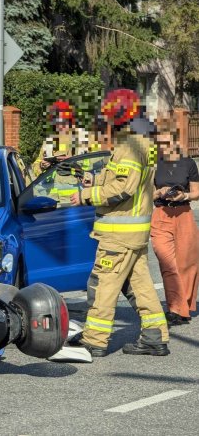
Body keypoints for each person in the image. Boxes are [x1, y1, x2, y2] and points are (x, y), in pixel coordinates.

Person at [70, 88, 169, 357]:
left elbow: (121, 189)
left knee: (103, 284)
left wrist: (85, 194)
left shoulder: (129, 145)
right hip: (133, 233)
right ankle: (154, 336)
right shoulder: (142, 142)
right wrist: (97, 180)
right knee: (141, 287)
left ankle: (94, 340)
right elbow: (127, 184)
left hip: (118, 233)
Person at [151, 121, 199, 325]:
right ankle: (175, 308)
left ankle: (183, 307)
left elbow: (197, 192)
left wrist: (184, 195)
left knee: (186, 264)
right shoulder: (154, 163)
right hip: (161, 215)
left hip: (184, 215)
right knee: (167, 263)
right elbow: (146, 194)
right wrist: (159, 192)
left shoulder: (188, 163)